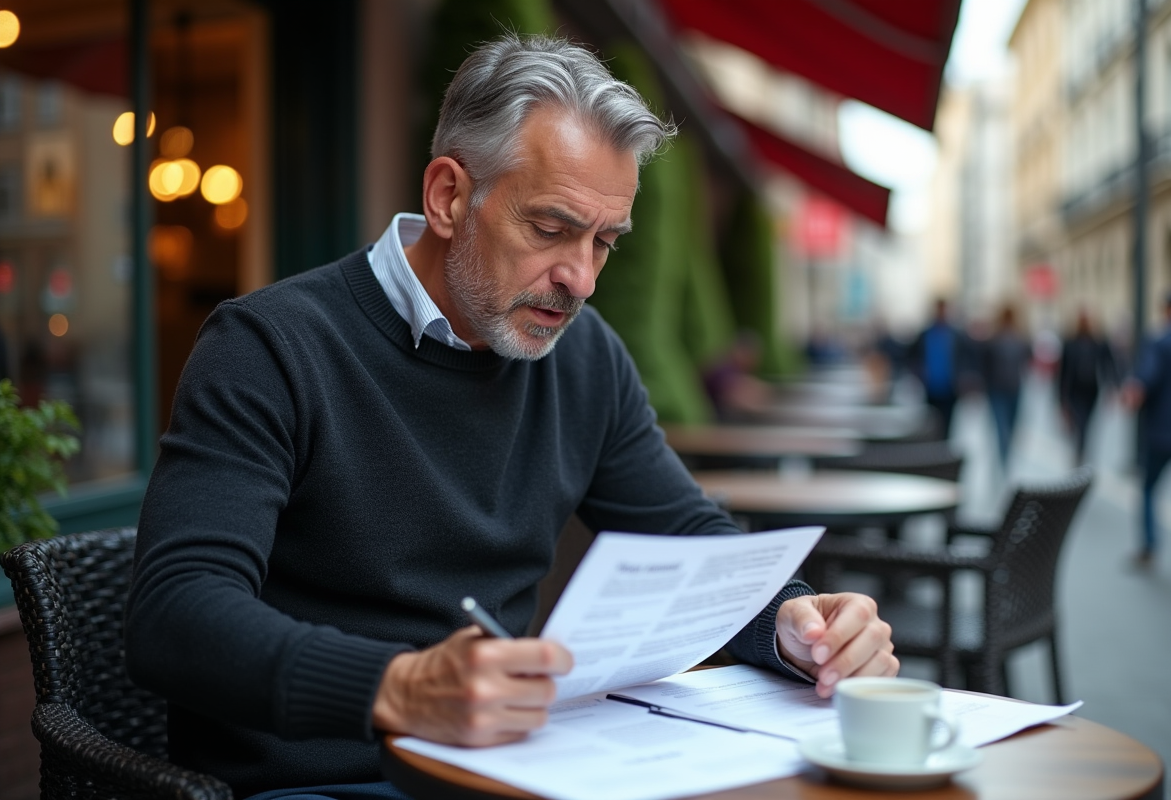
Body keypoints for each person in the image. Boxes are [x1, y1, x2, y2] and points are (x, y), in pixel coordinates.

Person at [124, 35, 897, 800]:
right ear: (449, 197)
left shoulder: (585, 356)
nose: (581, 279)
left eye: (604, 242)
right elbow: (175, 614)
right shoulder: (270, 346)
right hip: (318, 783)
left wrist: (794, 622)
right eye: (551, 229)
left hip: (509, 770)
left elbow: (686, 535)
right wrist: (399, 688)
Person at [1122, 291, 1171, 576]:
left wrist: (1133, 392)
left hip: (1163, 434)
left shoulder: (1160, 342)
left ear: (1168, 310)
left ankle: (1149, 548)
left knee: (1149, 489)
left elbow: (1147, 378)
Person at [907, 298, 974, 439]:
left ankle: (944, 444)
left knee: (948, 423)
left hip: (950, 387)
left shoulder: (956, 335)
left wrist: (962, 378)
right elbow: (912, 357)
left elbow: (965, 359)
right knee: (932, 424)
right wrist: (919, 374)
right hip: (931, 387)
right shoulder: (925, 334)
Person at [1058, 310, 1117, 465]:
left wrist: (1111, 386)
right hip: (1075, 390)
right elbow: (1063, 372)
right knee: (1080, 422)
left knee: (1086, 423)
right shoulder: (1071, 344)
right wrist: (1061, 400)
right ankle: (1081, 451)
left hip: (1091, 390)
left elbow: (1108, 363)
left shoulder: (1098, 343)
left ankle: (1081, 451)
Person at [979, 304, 1031, 469]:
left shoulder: (1017, 339)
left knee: (1009, 427)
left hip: (1011, 389)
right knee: (1003, 427)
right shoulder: (998, 340)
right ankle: (1004, 461)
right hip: (1000, 390)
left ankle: (1005, 457)